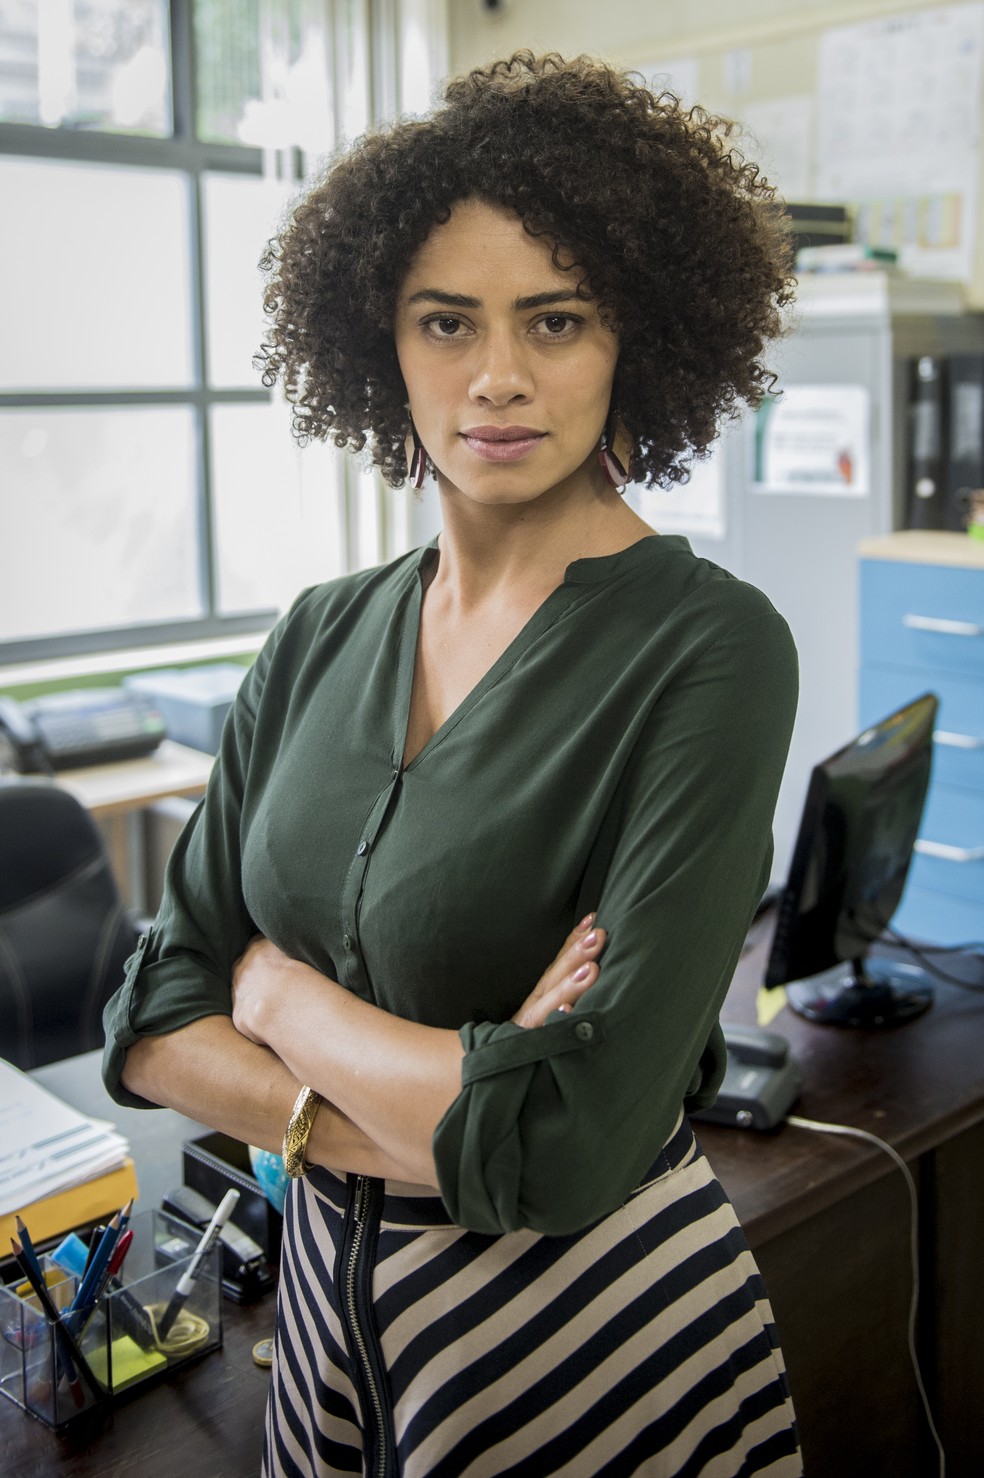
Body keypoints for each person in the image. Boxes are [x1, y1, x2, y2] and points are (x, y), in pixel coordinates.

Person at [103, 52, 801, 1477]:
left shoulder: (711, 650)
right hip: (321, 1324)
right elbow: (155, 1008)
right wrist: (373, 1111)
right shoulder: (315, 635)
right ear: (383, 342)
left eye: (556, 320)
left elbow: (565, 1147)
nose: (497, 377)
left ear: (636, 340)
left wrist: (280, 991)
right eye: (446, 321)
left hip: (585, 1337)